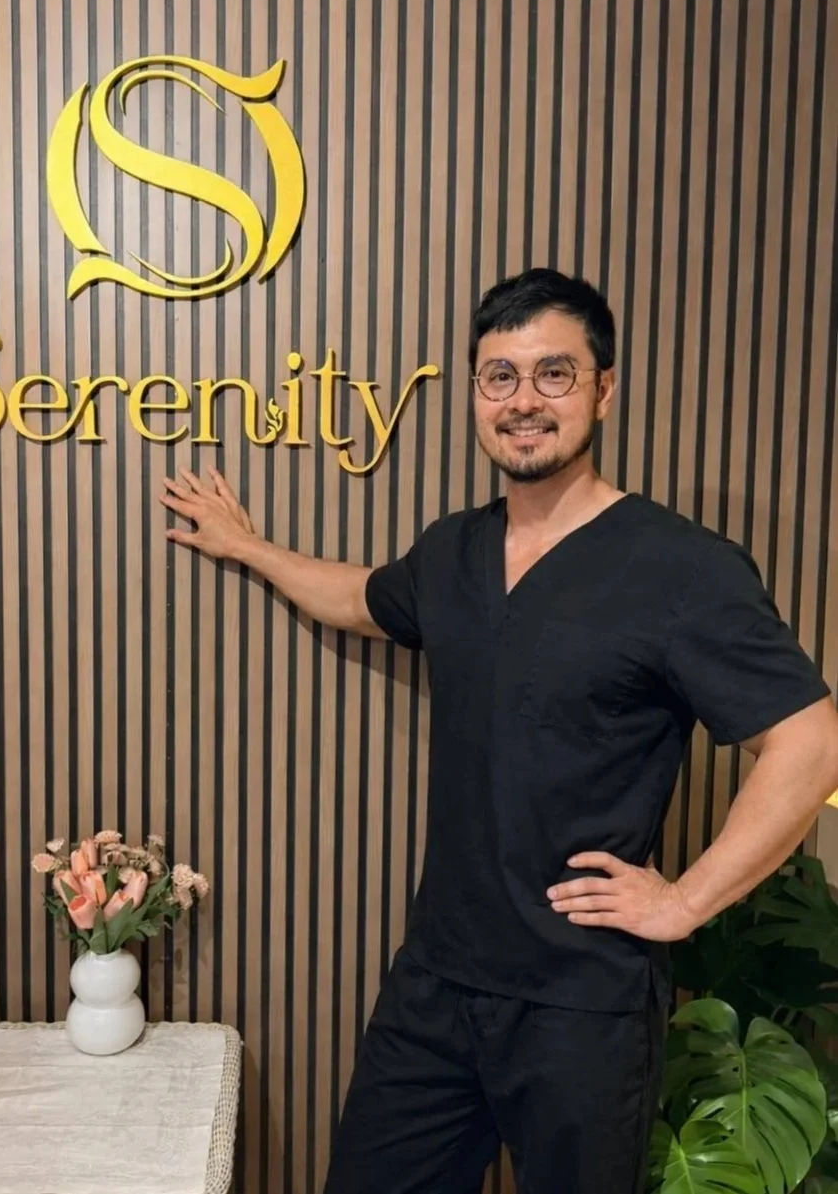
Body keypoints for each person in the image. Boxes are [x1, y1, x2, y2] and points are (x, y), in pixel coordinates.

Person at [161, 267, 838, 1194]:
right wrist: (246, 545)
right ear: (476, 393)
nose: (524, 401)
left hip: (581, 1003)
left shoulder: (681, 568)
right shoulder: (454, 550)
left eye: (553, 373)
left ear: (603, 388)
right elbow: (359, 597)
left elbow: (808, 739)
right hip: (435, 982)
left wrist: (684, 902)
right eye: (499, 376)